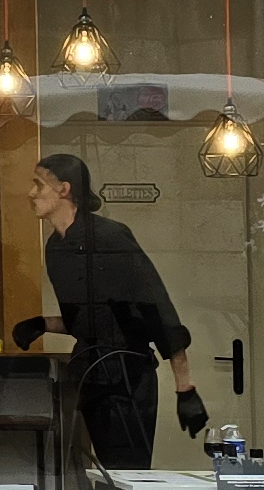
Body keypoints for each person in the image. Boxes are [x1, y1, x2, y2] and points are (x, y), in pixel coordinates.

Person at [21, 151, 203, 469]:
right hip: (89, 374)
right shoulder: (56, 247)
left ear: (64, 189)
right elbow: (87, 319)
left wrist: (184, 388)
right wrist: (42, 323)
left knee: (127, 477)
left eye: (39, 184)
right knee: (99, 477)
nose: (31, 192)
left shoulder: (109, 236)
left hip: (127, 377)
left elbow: (157, 310)